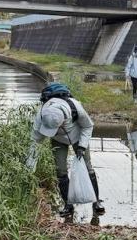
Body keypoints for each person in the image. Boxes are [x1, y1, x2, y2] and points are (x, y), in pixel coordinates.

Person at [26, 83, 105, 222]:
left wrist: (81, 146)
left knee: (88, 168)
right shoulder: (41, 115)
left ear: (64, 119)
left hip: (78, 137)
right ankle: (68, 204)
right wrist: (28, 168)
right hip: (58, 141)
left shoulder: (75, 107)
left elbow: (88, 126)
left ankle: (96, 202)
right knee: (60, 171)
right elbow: (34, 143)